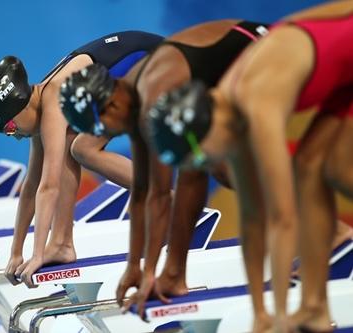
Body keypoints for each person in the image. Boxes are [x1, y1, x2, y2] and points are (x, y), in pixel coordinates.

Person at [147, 1, 353, 331]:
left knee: (335, 174)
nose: (206, 166)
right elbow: (254, 222)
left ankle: (304, 307)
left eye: (200, 158)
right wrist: (261, 314)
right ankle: (313, 308)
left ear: (207, 128)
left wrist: (280, 316)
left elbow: (282, 219)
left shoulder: (257, 106)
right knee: (309, 169)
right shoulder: (229, 115)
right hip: (336, 66)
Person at [59, 19, 270, 329]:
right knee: (202, 164)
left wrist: (150, 272)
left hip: (264, 51)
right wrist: (135, 267)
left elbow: (161, 196)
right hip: (233, 68)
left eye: (100, 127)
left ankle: (326, 237)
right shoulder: (132, 98)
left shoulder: (150, 100)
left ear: (112, 104)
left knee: (224, 166)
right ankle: (174, 275)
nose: (101, 135)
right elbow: (145, 193)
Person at [0, 31, 163, 287]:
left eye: (9, 128)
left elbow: (49, 185)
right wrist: (16, 251)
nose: (14, 136)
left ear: (20, 106)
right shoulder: (39, 102)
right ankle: (62, 243)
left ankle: (164, 197)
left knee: (83, 149)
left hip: (160, 64)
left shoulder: (54, 97)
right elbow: (31, 186)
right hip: (139, 72)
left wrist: (37, 254)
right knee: (69, 142)